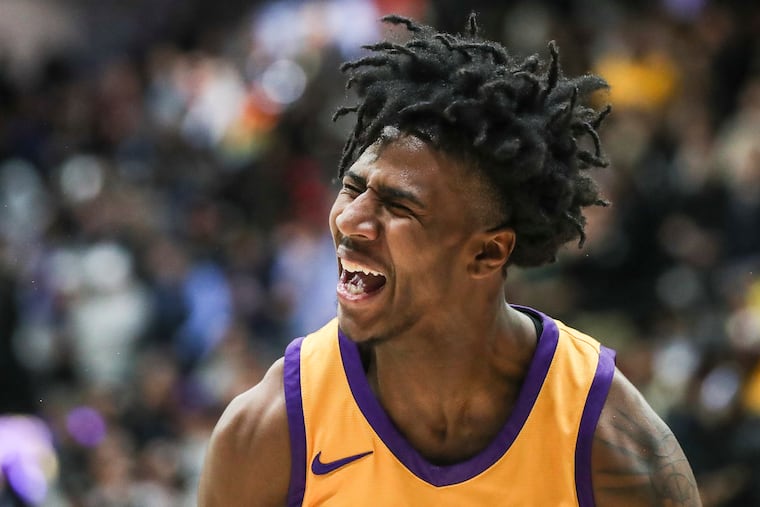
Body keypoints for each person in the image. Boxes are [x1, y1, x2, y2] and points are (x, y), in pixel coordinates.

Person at [198, 13, 701, 506]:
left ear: (487, 252)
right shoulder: (272, 431)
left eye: (398, 206)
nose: (350, 220)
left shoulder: (612, 445)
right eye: (353, 187)